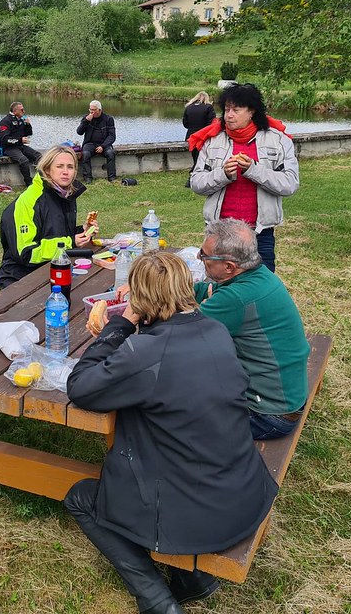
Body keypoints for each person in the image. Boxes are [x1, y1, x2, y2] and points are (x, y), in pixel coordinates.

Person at [64, 252, 278, 614]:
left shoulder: (145, 351)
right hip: (243, 492)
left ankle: (157, 601)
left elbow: (81, 386)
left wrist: (122, 325)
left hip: (197, 512)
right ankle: (193, 579)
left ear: (139, 298)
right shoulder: (215, 329)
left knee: (82, 497)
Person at [195, 219, 311, 441]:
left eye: (204, 256)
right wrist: (157, 285)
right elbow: (205, 289)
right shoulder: (256, 275)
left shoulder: (235, 298)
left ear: (229, 266)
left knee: (170, 410)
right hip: (286, 398)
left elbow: (178, 337)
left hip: (268, 416)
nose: (200, 260)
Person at [188, 83, 298, 272]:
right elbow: (196, 183)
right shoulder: (213, 141)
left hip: (259, 233)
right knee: (220, 288)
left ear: (252, 111)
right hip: (220, 232)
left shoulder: (279, 140)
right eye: (226, 109)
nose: (229, 115)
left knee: (261, 289)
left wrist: (253, 170)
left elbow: (289, 184)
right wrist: (222, 174)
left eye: (236, 110)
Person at [0, 145, 98, 288]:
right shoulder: (29, 201)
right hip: (20, 278)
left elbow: (54, 233)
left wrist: (82, 231)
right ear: (47, 169)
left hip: (54, 269)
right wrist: (70, 242)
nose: (65, 172)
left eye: (70, 167)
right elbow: (27, 254)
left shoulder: (65, 194)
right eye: (59, 166)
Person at [0, 101, 41, 187]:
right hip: (9, 148)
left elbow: (28, 134)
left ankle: (40, 178)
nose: (24, 111)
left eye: (23, 109)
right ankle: (28, 183)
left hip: (20, 146)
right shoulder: (5, 121)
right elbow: (4, 139)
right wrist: (20, 140)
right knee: (23, 160)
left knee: (38, 156)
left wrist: (28, 125)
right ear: (15, 111)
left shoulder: (20, 120)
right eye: (21, 110)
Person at [76, 99, 117, 183]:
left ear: (100, 110)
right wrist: (86, 121)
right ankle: (88, 178)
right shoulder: (86, 118)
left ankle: (112, 178)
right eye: (90, 110)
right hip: (89, 143)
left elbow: (112, 136)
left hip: (104, 144)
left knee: (110, 153)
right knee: (85, 154)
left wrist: (103, 146)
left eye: (94, 110)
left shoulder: (108, 119)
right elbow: (79, 132)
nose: (91, 112)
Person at [182, 90, 215, 177]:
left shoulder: (188, 107)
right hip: (203, 135)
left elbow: (185, 123)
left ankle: (194, 173)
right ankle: (194, 174)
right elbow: (212, 123)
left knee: (195, 156)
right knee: (201, 157)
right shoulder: (208, 107)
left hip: (191, 135)